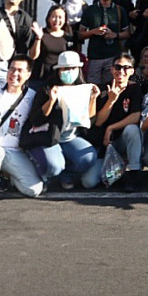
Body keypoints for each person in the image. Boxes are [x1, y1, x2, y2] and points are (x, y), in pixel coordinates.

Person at [0, 56, 45, 204]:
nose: (14, 74)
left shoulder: (32, 96)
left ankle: (7, 175)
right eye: (12, 69)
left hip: (15, 149)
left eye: (20, 70)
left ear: (28, 74)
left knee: (33, 190)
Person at [34, 51, 103, 191]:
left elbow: (90, 119)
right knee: (53, 166)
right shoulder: (48, 89)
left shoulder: (82, 89)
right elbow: (36, 119)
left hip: (70, 138)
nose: (69, 72)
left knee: (88, 157)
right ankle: (45, 176)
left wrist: (93, 98)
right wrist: (51, 101)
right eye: (65, 69)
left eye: (73, 68)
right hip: (50, 137)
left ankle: (67, 175)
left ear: (79, 70)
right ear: (58, 71)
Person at [91, 53, 144, 191]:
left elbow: (136, 116)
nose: (121, 71)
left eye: (126, 68)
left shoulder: (135, 88)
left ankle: (133, 173)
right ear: (111, 69)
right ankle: (117, 172)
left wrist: (111, 128)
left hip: (124, 142)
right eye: (118, 67)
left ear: (132, 71)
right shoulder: (103, 89)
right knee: (88, 182)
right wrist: (111, 100)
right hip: (107, 144)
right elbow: (98, 122)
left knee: (132, 129)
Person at [80, 0, 130, 87]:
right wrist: (93, 31)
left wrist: (114, 35)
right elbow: (80, 34)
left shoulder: (119, 10)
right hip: (94, 57)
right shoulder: (90, 10)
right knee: (93, 88)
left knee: (110, 87)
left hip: (113, 56)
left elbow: (127, 33)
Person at [34, 6, 77, 82]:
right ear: (48, 18)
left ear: (65, 20)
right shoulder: (41, 33)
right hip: (42, 75)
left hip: (61, 76)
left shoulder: (68, 37)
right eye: (54, 17)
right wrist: (38, 38)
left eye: (60, 17)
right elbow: (33, 56)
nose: (57, 20)